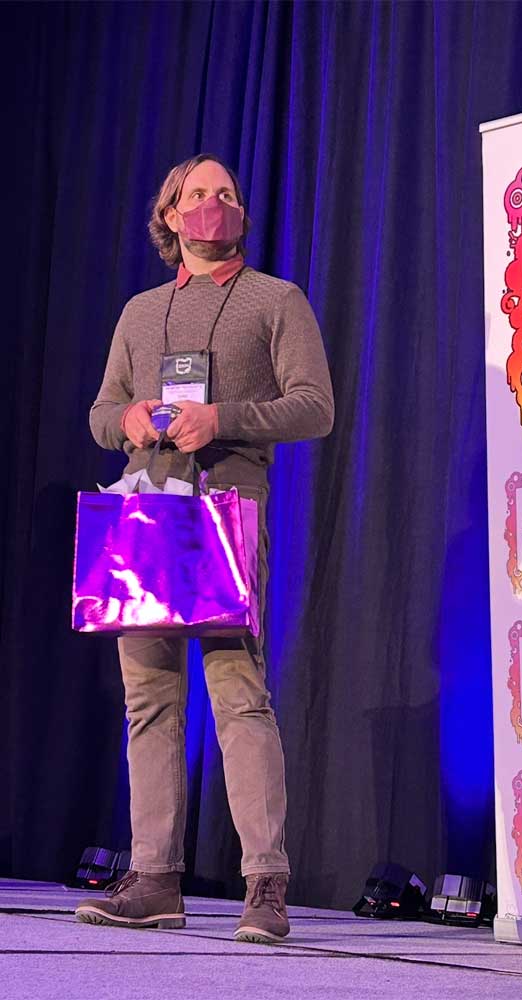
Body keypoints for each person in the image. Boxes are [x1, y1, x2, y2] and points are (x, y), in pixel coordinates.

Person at [74, 153, 334, 943]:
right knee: (148, 701)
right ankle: (154, 878)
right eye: (196, 196)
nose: (211, 205)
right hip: (146, 516)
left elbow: (314, 407)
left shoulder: (276, 301)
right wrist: (126, 420)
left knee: (236, 692)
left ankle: (265, 886)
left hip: (227, 511)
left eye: (225, 195)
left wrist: (221, 419)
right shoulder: (139, 311)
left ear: (241, 216)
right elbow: (100, 411)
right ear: (170, 215)